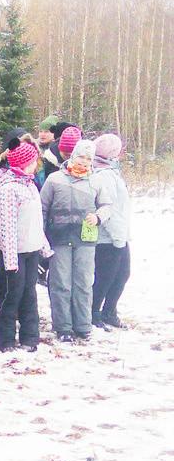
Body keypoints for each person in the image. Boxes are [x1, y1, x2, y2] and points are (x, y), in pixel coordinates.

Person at [40, 139, 113, 342]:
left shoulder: (96, 181)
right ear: (73, 156)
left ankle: (83, 325)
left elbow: (107, 206)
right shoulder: (55, 179)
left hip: (86, 239)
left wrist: (98, 216)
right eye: (81, 157)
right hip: (59, 238)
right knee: (61, 282)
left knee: (83, 282)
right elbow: (43, 208)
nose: (84, 162)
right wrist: (42, 235)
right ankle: (63, 327)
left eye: (88, 159)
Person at [0, 139, 51, 352]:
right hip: (14, 251)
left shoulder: (30, 185)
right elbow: (6, 226)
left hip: (32, 248)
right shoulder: (7, 188)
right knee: (12, 295)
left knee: (30, 294)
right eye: (33, 161)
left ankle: (30, 337)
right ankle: (6, 340)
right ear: (24, 163)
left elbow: (35, 221)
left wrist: (44, 247)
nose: (36, 165)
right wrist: (10, 260)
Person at [0, 127, 31, 307]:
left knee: (22, 276)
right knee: (3, 271)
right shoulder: (0, 170)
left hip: (24, 233)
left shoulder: (29, 173)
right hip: (1, 231)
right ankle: (2, 305)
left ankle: (19, 307)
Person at [90, 134, 131, 330]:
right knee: (104, 277)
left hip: (119, 236)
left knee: (122, 274)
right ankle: (94, 312)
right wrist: (117, 239)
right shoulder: (102, 175)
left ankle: (109, 311)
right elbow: (109, 210)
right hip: (108, 239)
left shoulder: (110, 172)